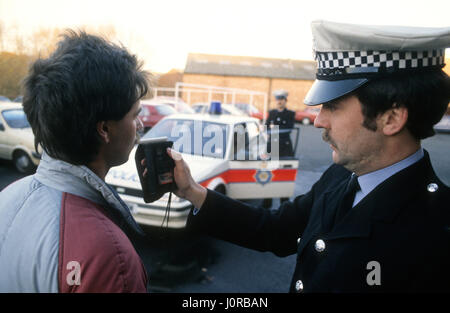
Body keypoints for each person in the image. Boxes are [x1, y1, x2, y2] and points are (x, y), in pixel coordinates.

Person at [163, 21, 450, 292]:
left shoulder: (438, 230)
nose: (317, 121)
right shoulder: (341, 176)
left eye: (333, 106)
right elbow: (275, 229)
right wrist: (192, 191)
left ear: (391, 118)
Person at [0, 31, 150, 292]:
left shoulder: (9, 196)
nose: (139, 124)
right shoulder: (109, 256)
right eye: (134, 114)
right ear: (104, 129)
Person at [265, 90, 296, 158]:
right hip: (272, 144)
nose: (279, 102)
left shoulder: (290, 114)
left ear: (285, 100)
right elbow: (266, 126)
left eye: (281, 99)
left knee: (284, 165)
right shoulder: (272, 113)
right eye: (277, 99)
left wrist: (274, 127)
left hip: (284, 145)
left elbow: (289, 128)